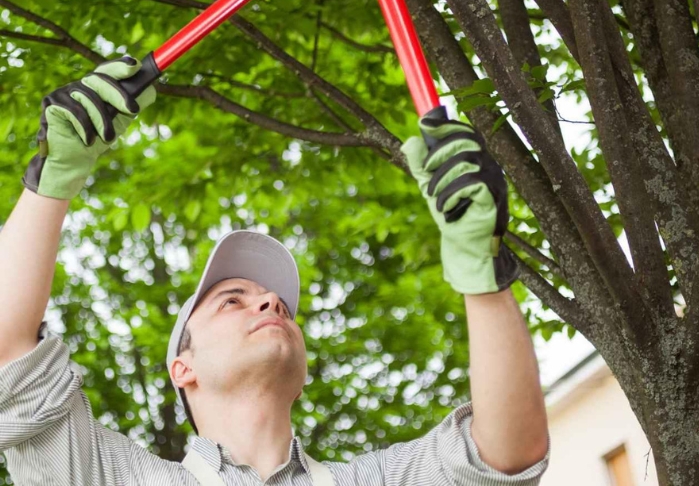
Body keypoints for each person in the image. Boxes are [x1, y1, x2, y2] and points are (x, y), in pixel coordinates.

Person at [0, 57, 549, 485]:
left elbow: (505, 455)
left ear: (303, 375)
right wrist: (55, 176)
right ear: (182, 369)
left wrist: (483, 273)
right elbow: (8, 355)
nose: (270, 304)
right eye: (232, 300)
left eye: (280, 306)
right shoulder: (114, 478)